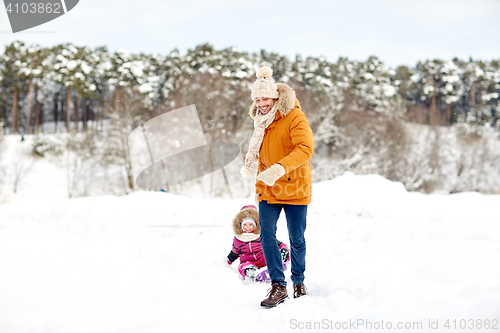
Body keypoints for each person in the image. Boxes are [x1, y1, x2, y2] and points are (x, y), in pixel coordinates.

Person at [240, 66, 314, 308]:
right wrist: (253, 164)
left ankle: (299, 282)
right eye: (257, 99)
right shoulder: (260, 121)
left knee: (296, 239)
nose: (260, 103)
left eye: (264, 98)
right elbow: (261, 149)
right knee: (267, 237)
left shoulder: (294, 116)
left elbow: (305, 148)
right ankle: (278, 286)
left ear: (275, 97)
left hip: (294, 188)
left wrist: (280, 169)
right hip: (267, 188)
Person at [227, 205, 290, 280]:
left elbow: (273, 242)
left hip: (263, 258)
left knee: (271, 256)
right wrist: (227, 261)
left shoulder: (261, 234)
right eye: (245, 224)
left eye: (250, 225)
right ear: (240, 225)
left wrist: (283, 247)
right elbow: (234, 252)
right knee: (242, 266)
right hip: (248, 261)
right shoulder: (238, 238)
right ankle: (251, 272)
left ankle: (279, 260)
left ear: (255, 225)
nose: (248, 227)